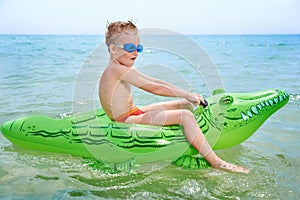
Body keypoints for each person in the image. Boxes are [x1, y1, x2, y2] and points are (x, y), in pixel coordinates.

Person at [99, 21, 250, 174]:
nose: (136, 53)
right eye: (130, 48)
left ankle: (196, 138)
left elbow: (155, 81)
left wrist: (186, 95)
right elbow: (154, 88)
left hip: (133, 111)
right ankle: (216, 162)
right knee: (185, 116)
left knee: (185, 104)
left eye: (139, 48)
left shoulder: (121, 68)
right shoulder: (116, 70)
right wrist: (186, 94)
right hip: (126, 120)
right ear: (113, 49)